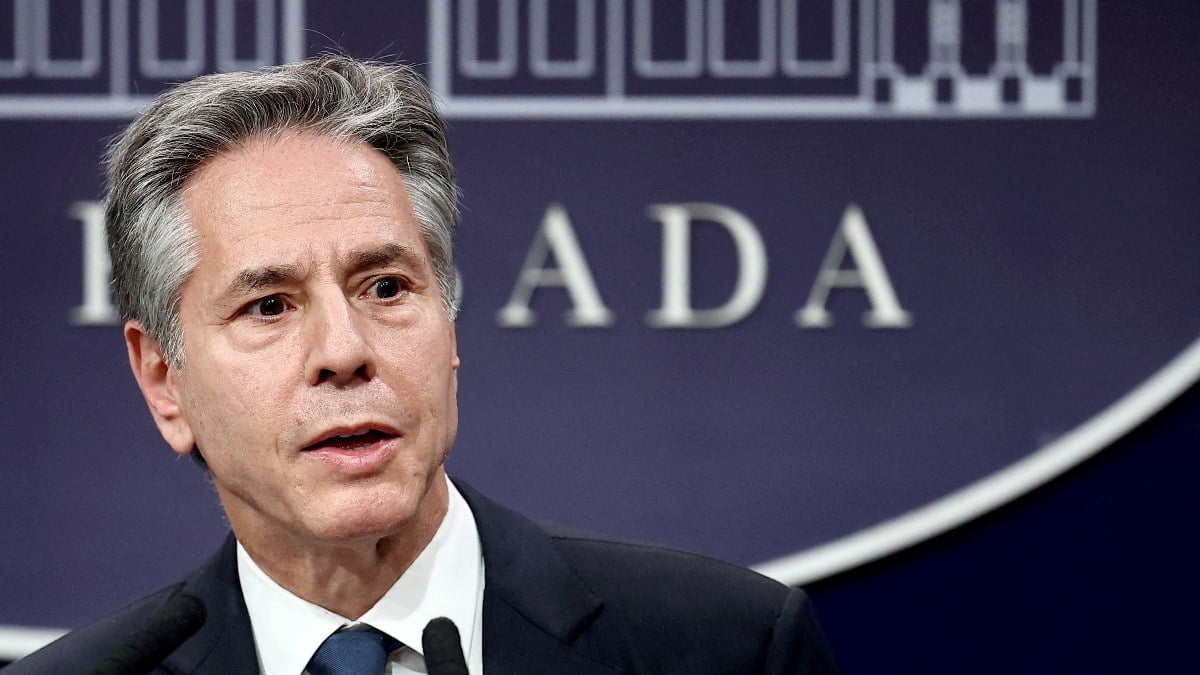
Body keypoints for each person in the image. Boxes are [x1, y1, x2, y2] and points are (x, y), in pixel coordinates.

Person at [5, 55, 839, 675]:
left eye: (386, 286)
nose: (344, 352)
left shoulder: (727, 647)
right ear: (164, 380)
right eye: (269, 305)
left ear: (449, 323)